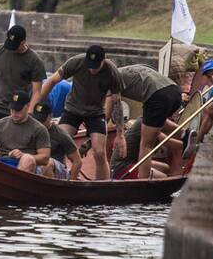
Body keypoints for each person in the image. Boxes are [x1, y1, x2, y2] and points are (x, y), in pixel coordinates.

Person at [37, 45, 123, 180]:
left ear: (103, 61)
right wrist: (36, 105)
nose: (92, 69)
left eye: (96, 66)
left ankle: (101, 186)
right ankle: (60, 176)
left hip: (96, 112)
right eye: (90, 66)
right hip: (73, 109)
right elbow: (52, 80)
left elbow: (116, 102)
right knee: (59, 142)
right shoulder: (76, 62)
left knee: (99, 152)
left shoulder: (112, 72)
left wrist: (120, 134)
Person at [114, 64, 182, 180]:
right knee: (164, 172)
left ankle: (143, 182)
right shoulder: (144, 123)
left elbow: (114, 105)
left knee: (146, 146)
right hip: (175, 91)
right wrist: (185, 144)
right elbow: (167, 141)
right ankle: (185, 132)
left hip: (157, 95)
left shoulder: (147, 121)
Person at [0, 91, 50, 174]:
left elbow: (45, 158)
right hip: (1, 163)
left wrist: (22, 155)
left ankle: (17, 183)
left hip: (25, 164)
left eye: (18, 109)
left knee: (27, 159)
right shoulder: (0, 124)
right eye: (12, 109)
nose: (14, 113)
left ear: (28, 106)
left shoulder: (39, 128)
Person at [33, 101, 82, 180]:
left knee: (47, 164)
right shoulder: (31, 130)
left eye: (42, 120)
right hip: (36, 165)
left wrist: (70, 182)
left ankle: (51, 190)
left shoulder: (61, 135)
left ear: (50, 116)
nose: (39, 124)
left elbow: (77, 161)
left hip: (56, 168)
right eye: (37, 120)